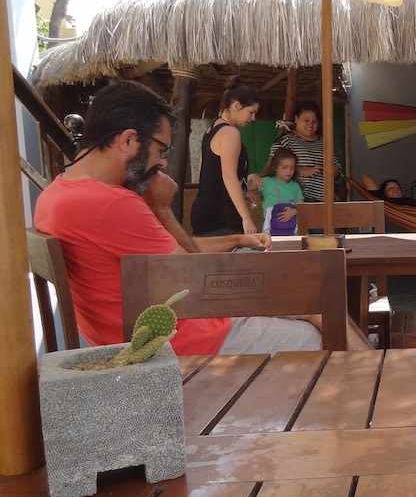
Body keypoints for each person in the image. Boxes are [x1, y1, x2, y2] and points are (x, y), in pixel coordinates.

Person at [33, 80, 328, 355]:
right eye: (161, 149)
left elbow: (178, 260)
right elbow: (192, 278)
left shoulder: (54, 195)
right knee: (315, 333)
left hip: (153, 330)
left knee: (308, 308)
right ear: (128, 140)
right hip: (177, 341)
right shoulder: (111, 203)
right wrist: (161, 207)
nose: (162, 162)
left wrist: (238, 239)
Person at [190, 79, 263, 236]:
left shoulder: (210, 131)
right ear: (236, 106)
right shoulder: (230, 133)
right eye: (251, 112)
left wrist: (241, 191)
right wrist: (246, 218)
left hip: (204, 209)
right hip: (222, 214)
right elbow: (228, 176)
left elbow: (209, 175)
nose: (253, 118)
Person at [270, 101, 341, 202]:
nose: (310, 125)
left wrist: (333, 170)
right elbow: (274, 165)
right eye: (306, 120)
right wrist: (302, 170)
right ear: (296, 119)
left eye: (314, 121)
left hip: (322, 199)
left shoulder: (323, 143)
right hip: (294, 199)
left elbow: (337, 169)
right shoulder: (287, 139)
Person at [259, 147, 304, 236]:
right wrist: (250, 177)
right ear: (275, 168)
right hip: (270, 233)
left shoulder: (295, 186)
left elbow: (302, 207)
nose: (289, 171)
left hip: (292, 233)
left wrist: (294, 211)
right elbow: (243, 186)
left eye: (292, 168)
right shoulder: (266, 182)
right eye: (284, 167)